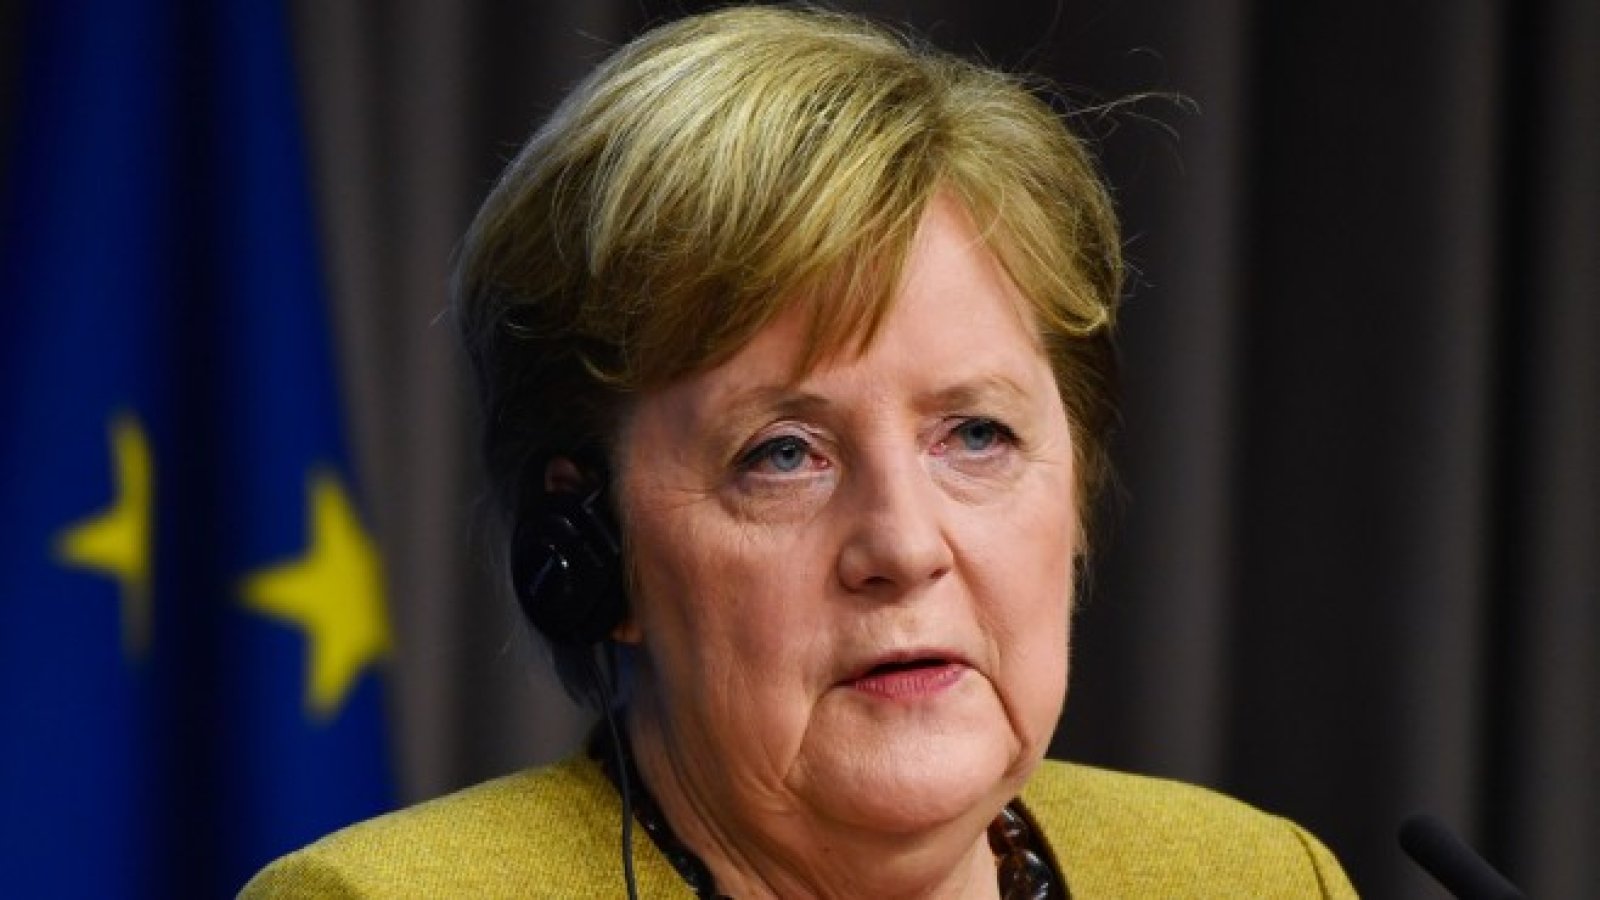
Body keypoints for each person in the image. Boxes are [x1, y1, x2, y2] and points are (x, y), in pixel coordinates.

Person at [244, 6, 1357, 897]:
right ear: (591, 549)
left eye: (976, 434)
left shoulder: (1254, 879)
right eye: (783, 454)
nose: (903, 548)